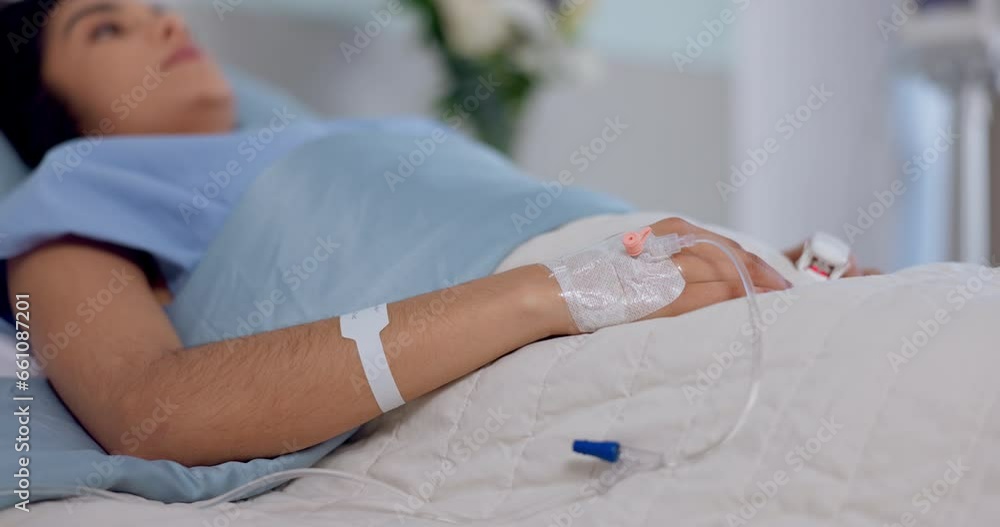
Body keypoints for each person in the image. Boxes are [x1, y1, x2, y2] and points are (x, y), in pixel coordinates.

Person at [0, 0, 859, 468]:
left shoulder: (338, 139)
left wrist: (756, 252)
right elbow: (152, 408)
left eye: (153, 5)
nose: (165, 22)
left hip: (669, 273)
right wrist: (558, 290)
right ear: (51, 112)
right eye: (106, 25)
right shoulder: (74, 189)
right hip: (570, 319)